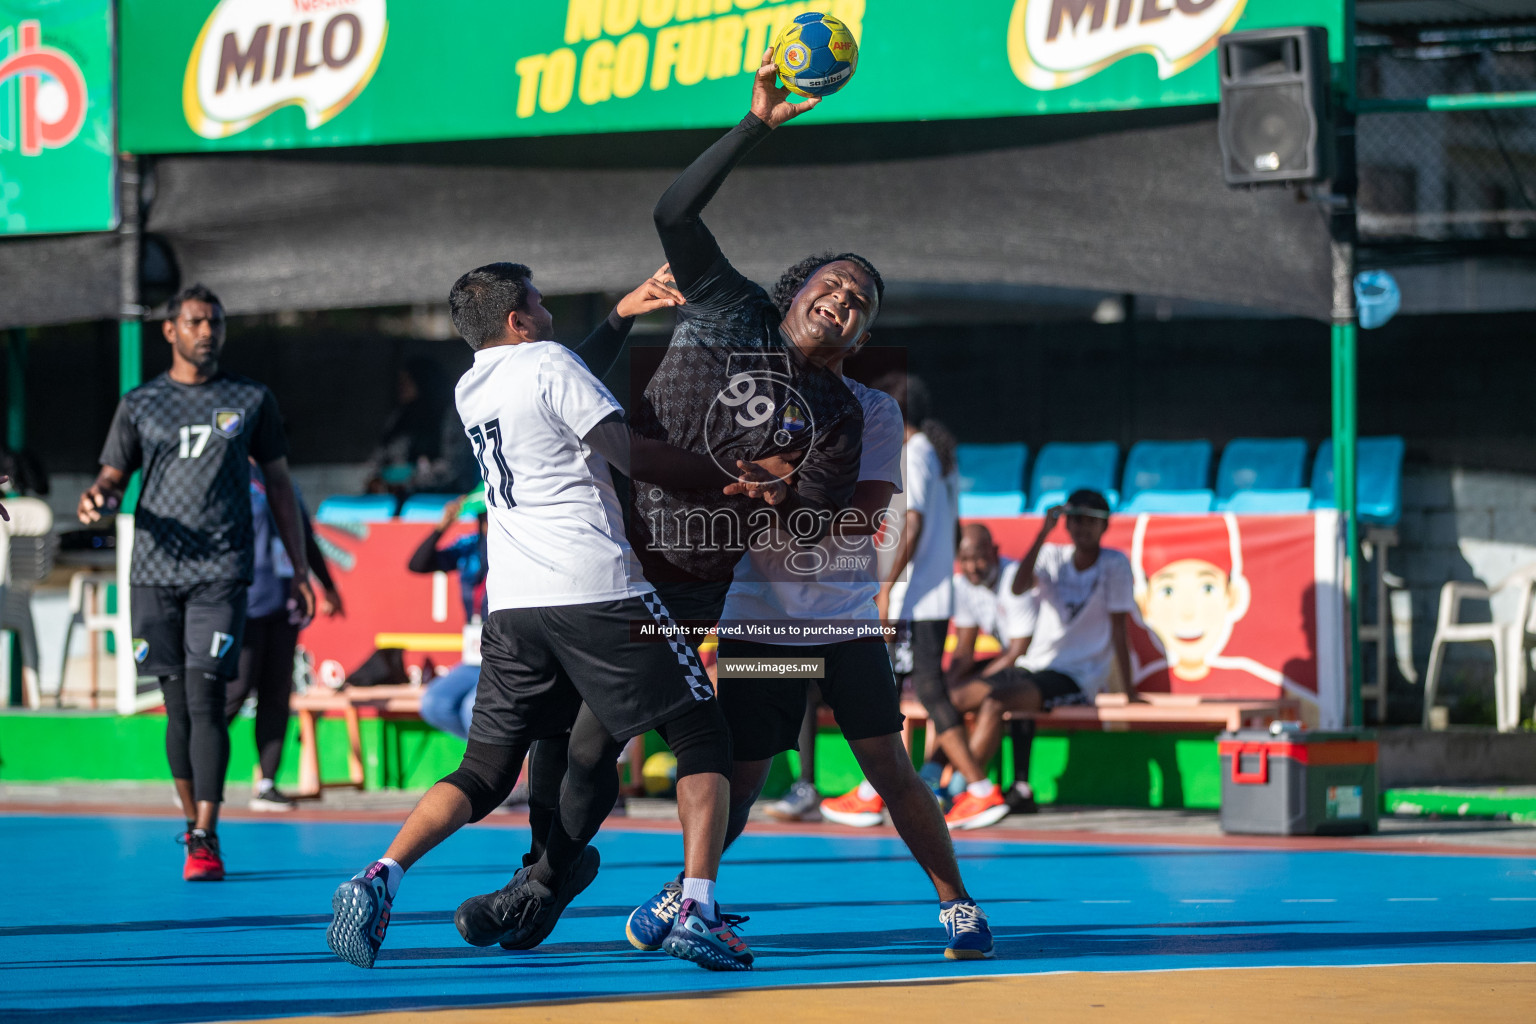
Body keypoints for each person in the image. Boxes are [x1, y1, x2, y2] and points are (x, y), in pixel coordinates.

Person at [327, 265, 779, 972]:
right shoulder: (548, 362)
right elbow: (623, 447)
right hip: (595, 587)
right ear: (518, 318)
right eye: (537, 299)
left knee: (483, 770)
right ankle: (697, 909)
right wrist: (731, 477)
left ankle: (380, 875)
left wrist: (622, 317)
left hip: (513, 606)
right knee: (701, 733)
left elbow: (556, 381)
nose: (545, 309)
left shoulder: (474, 382)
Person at [680, 299, 996, 961]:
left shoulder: (873, 413)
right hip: (758, 627)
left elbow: (860, 520)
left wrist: (775, 490)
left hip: (843, 626)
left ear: (863, 335)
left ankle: (958, 904)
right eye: (831, 291)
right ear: (792, 315)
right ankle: (687, 895)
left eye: (859, 300)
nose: (842, 305)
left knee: (891, 770)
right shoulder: (742, 405)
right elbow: (706, 498)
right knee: (739, 779)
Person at [79, 283, 314, 882]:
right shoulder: (140, 405)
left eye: (215, 322)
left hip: (221, 573)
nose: (206, 332)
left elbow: (282, 489)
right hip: (154, 573)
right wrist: (98, 497)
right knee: (177, 706)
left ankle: (208, 833)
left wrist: (300, 568)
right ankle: (192, 825)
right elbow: (111, 476)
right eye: (195, 322)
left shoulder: (250, 399)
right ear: (170, 330)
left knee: (209, 697)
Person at [822, 375, 1011, 831]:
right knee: (898, 690)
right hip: (924, 594)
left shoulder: (918, 452)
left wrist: (888, 586)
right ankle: (877, 790)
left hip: (914, 598)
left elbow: (914, 521)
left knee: (912, 689)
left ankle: (980, 789)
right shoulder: (937, 455)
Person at [1005, 489, 1137, 810]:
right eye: (1076, 519)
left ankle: (1003, 787)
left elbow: (1120, 629)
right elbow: (1017, 587)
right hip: (1037, 664)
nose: (1082, 527)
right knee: (988, 694)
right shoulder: (1051, 555)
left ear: (1105, 526)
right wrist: (1042, 532)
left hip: (1078, 675)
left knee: (1009, 697)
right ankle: (993, 787)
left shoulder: (1115, 564)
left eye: (1091, 521)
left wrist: (1130, 691)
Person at [224, 460, 342, 811]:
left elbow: (303, 535)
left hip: (284, 605)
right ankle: (197, 771)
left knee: (276, 695)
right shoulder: (227, 475)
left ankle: (267, 784)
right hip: (245, 604)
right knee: (236, 689)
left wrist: (328, 586)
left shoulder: (284, 481)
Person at [945, 523, 1040, 813]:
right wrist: (948, 684)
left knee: (972, 699)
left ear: (995, 551)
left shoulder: (1015, 579)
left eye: (978, 557)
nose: (972, 566)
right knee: (943, 698)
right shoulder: (962, 584)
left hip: (1039, 665)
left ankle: (959, 787)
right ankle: (940, 781)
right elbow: (963, 650)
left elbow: (1018, 651)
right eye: (965, 559)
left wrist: (973, 685)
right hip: (1013, 664)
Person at [410, 491, 489, 741]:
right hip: (474, 658)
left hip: (507, 657)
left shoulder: (518, 549)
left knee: (472, 710)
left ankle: (504, 773)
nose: (488, 522)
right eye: (483, 517)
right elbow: (418, 564)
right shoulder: (470, 546)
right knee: (435, 703)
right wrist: (443, 526)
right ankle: (491, 766)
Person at [365, 356, 479, 498]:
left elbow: (452, 468)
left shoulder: (450, 417)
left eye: (407, 381)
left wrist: (410, 481)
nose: (401, 387)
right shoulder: (400, 417)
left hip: (443, 496)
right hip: (397, 498)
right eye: (400, 382)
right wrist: (376, 479)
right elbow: (380, 456)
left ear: (424, 381)